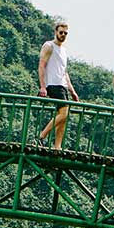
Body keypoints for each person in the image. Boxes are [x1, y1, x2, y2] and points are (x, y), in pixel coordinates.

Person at [36, 21, 79, 149]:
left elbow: (65, 72)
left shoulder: (63, 50)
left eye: (65, 33)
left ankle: (57, 146)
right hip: (53, 84)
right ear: (56, 32)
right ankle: (41, 137)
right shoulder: (49, 46)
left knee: (63, 117)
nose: (63, 35)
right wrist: (43, 86)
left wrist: (72, 92)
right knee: (64, 113)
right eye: (61, 32)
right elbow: (41, 66)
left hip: (62, 85)